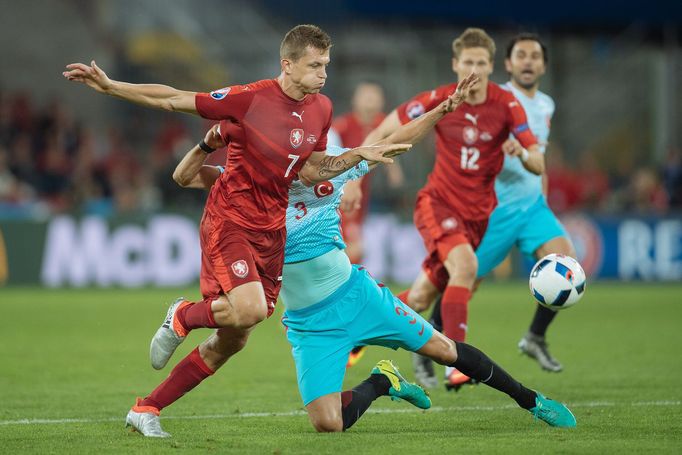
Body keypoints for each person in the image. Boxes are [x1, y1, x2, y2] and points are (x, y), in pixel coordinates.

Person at [162, 79, 575, 435]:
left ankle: (532, 400)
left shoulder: (337, 171)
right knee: (327, 423)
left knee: (446, 350)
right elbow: (184, 177)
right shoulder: (252, 185)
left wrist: (442, 109)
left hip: (357, 297)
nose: (312, 158)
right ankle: (383, 381)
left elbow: (397, 141)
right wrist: (205, 143)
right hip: (308, 325)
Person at [64, 24, 409, 437]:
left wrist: (355, 156)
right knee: (250, 309)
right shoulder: (250, 99)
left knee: (234, 339)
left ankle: (147, 407)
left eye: (326, 65)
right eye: (315, 65)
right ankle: (183, 315)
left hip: (271, 229)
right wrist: (111, 86)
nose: (323, 73)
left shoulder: (321, 109)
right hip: (230, 219)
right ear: (288, 64)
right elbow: (175, 99)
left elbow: (313, 168)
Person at [363, 28, 545, 390]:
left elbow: (538, 162)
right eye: (467, 63)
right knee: (466, 266)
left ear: (492, 66)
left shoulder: (507, 106)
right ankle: (457, 363)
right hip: (437, 204)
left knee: (417, 299)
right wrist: (354, 176)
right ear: (455, 64)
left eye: (480, 63)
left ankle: (359, 329)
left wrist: (522, 153)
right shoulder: (440, 99)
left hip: (476, 218)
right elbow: (384, 129)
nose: (473, 70)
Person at [413, 34, 578, 386]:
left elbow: (539, 157)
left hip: (533, 206)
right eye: (521, 55)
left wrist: (542, 191)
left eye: (535, 56)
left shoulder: (546, 104)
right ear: (507, 64)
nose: (529, 61)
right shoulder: (495, 98)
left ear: (544, 66)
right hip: (495, 209)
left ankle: (534, 336)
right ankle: (429, 348)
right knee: (462, 282)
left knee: (567, 265)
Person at [330, 82, 403, 367]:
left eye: (375, 97)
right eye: (366, 97)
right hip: (339, 197)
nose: (371, 102)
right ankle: (340, 318)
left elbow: (387, 146)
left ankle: (340, 318)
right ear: (356, 100)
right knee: (352, 252)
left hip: (359, 200)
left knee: (353, 254)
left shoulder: (382, 124)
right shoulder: (342, 126)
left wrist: (394, 171)